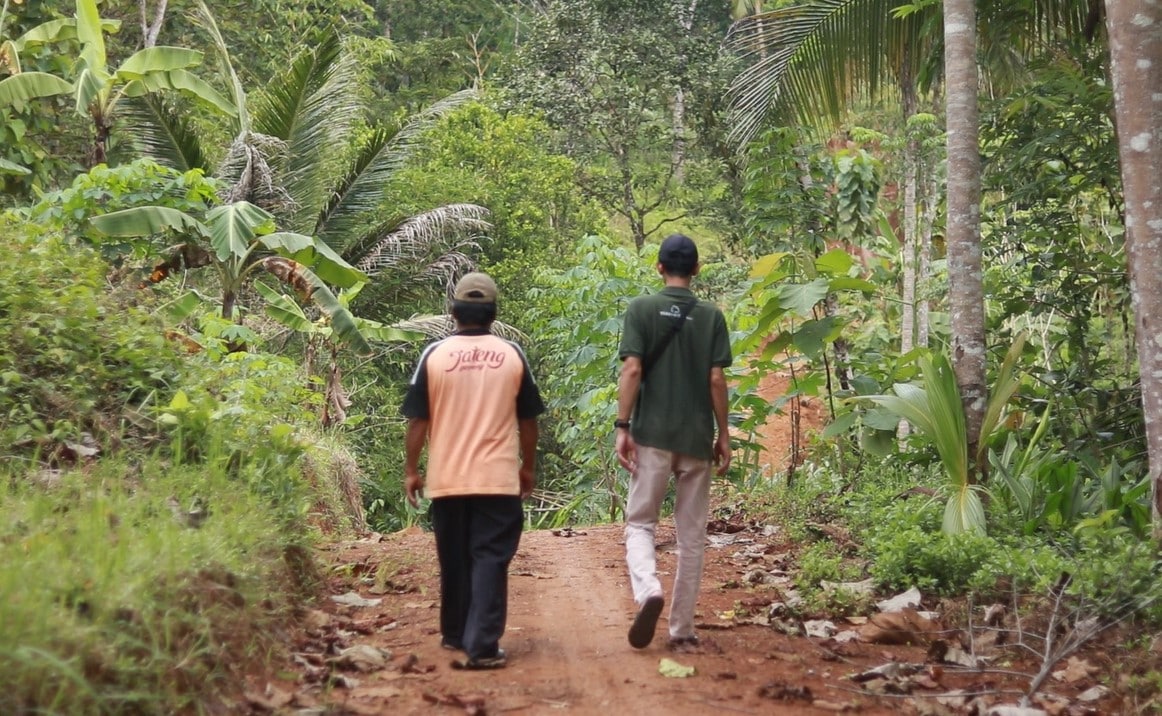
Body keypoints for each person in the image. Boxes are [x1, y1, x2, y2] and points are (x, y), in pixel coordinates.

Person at [401, 272, 545, 670]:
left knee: (454, 556)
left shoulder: (435, 355)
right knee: (489, 557)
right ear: (493, 314)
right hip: (497, 479)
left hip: (447, 479)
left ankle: (454, 633)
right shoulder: (511, 353)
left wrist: (412, 470)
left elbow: (417, 420)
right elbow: (528, 420)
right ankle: (481, 644)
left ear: (453, 312)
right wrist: (527, 467)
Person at [615, 233, 732, 651]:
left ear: (659, 267)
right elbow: (716, 379)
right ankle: (682, 631)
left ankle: (649, 590)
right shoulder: (712, 316)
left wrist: (622, 426)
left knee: (641, 522)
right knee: (691, 537)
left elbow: (631, 370)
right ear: (697, 269)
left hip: (653, 436)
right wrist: (724, 433)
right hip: (696, 438)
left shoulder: (641, 309)